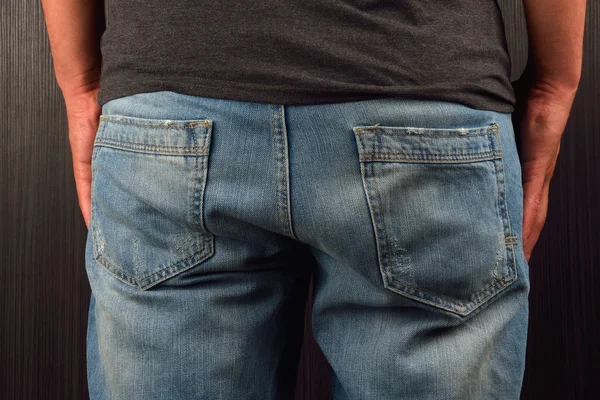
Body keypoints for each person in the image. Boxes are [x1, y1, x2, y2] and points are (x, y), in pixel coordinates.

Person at [41, 0, 585, 399]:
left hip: (170, 111)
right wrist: (554, 83)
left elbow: (84, 84)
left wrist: (81, 84)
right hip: (421, 105)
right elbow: (551, 84)